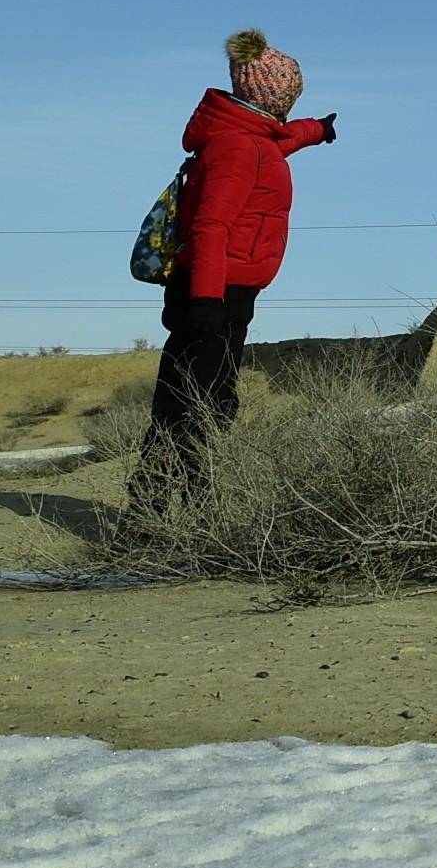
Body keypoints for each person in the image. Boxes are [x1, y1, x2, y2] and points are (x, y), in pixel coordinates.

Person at [130, 30, 337, 510]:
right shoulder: (239, 148)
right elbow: (211, 227)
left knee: (205, 401)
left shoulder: (251, 137)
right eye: (289, 97)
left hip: (226, 294)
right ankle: (161, 516)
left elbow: (280, 142)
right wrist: (205, 302)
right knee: (192, 407)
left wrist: (317, 130)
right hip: (212, 295)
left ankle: (182, 511)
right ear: (272, 97)